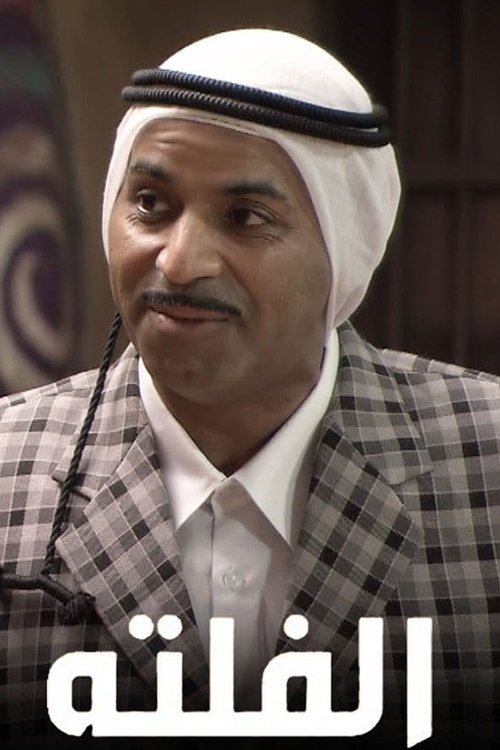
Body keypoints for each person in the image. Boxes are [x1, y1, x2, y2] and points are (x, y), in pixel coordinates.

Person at [1, 27, 500, 749]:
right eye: (151, 204)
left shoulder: (485, 463)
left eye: (245, 219)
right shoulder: (11, 472)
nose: (179, 262)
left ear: (346, 248)